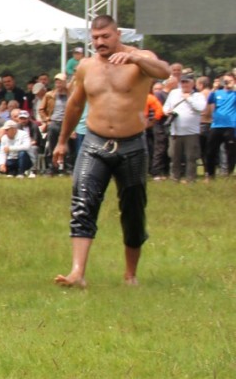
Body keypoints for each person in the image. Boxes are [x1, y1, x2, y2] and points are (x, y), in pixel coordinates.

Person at [52, 15, 171, 288]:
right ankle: (77, 273)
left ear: (118, 34)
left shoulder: (141, 58)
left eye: (105, 36)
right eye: (95, 38)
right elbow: (75, 105)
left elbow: (164, 71)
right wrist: (61, 140)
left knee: (133, 210)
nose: (100, 42)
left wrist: (136, 59)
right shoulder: (86, 66)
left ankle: (130, 274)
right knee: (82, 202)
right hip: (94, 143)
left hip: (132, 145)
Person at [163, 74, 205, 184]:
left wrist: (188, 98)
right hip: (175, 132)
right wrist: (167, 112)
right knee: (174, 157)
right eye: (182, 82)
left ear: (192, 83)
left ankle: (191, 179)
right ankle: (174, 179)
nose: (184, 84)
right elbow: (166, 107)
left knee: (191, 157)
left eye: (187, 82)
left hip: (191, 132)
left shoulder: (198, 96)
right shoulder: (174, 93)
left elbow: (201, 107)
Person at [205, 72, 236, 180]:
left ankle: (228, 174)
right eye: (225, 80)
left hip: (230, 126)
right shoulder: (218, 93)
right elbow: (209, 101)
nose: (227, 83)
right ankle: (210, 174)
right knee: (210, 150)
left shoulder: (234, 93)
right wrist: (214, 88)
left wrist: (233, 86)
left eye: (229, 80)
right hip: (216, 125)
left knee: (231, 152)